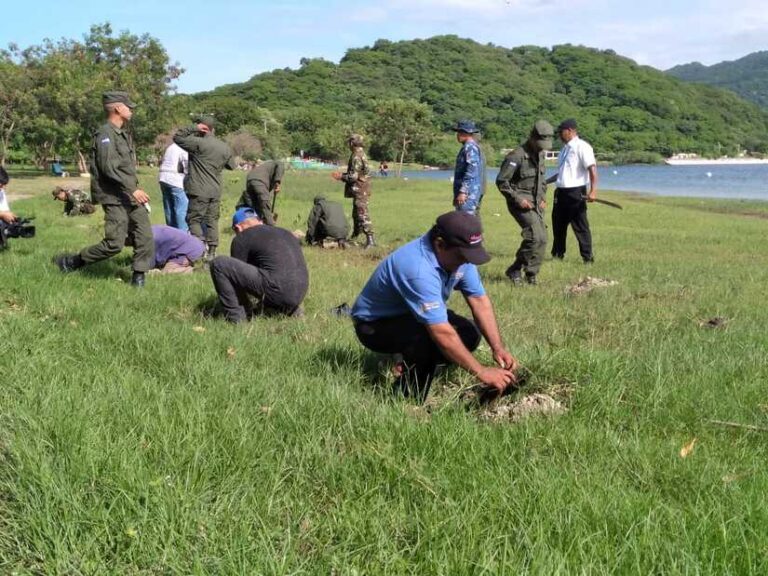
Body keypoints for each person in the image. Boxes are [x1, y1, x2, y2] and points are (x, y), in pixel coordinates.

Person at [351, 211, 519, 402]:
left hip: (413, 315)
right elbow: (441, 332)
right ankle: (405, 400)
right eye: (462, 256)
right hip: (374, 324)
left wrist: (498, 348)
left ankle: (412, 363)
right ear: (440, 244)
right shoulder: (417, 268)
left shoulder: (460, 256)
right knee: (429, 340)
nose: (465, 262)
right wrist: (481, 372)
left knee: (469, 332)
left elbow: (479, 301)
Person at [53, 91, 154, 287]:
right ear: (117, 108)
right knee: (114, 244)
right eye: (128, 106)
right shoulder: (105, 134)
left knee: (145, 237)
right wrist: (132, 190)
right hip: (114, 196)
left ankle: (138, 278)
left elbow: (124, 168)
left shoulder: (122, 134)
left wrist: (135, 189)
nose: (131, 109)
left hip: (130, 195)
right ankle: (73, 261)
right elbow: (108, 168)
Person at [209, 208, 309, 323]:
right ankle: (289, 308)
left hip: (278, 289)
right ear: (260, 221)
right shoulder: (285, 232)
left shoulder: (242, 237)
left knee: (219, 264)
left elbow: (237, 280)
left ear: (238, 228)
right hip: (300, 292)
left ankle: (238, 319)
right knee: (274, 273)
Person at [495, 120, 555, 286]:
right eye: (540, 143)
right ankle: (515, 269)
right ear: (532, 137)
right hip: (520, 203)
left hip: (536, 202)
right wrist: (518, 199)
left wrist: (543, 198)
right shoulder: (516, 156)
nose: (543, 147)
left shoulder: (541, 154)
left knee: (542, 239)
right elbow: (502, 182)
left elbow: (542, 180)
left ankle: (531, 273)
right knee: (534, 236)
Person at [173, 116, 237, 261]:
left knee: (194, 220)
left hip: (198, 189)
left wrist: (193, 128)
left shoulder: (197, 143)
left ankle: (199, 250)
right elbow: (232, 166)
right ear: (213, 129)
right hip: (215, 190)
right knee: (212, 220)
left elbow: (177, 137)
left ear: (202, 128)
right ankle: (212, 252)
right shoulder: (224, 146)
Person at [546, 119, 599, 263]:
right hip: (561, 192)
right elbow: (562, 173)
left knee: (580, 226)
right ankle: (558, 255)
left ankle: (587, 258)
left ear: (569, 130)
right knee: (558, 225)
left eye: (561, 132)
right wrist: (545, 182)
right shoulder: (564, 149)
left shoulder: (582, 147)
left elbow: (592, 169)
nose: (559, 136)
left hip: (575, 192)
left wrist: (593, 191)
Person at [332, 134, 375, 249]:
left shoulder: (356, 156)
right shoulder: (362, 153)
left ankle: (370, 240)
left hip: (360, 188)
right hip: (363, 187)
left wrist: (341, 176)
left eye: (349, 142)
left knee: (362, 213)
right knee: (356, 212)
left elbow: (354, 177)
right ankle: (356, 234)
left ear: (352, 143)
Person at [452, 120, 486, 216]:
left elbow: (472, 171)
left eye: (459, 132)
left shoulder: (470, 147)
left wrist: (463, 191)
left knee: (465, 222)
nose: (457, 135)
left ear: (465, 133)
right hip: (467, 192)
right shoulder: (468, 147)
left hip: (468, 194)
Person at [236, 159, 284, 226]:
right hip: (259, 180)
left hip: (250, 178)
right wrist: (277, 182)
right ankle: (271, 227)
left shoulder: (266, 168)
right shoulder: (277, 163)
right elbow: (280, 164)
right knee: (265, 203)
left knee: (255, 205)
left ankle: (255, 224)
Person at [158, 140, 189, 231]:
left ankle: (171, 231)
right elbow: (186, 165)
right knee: (181, 209)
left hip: (163, 178)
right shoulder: (184, 147)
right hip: (176, 179)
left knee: (169, 209)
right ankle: (182, 233)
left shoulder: (171, 147)